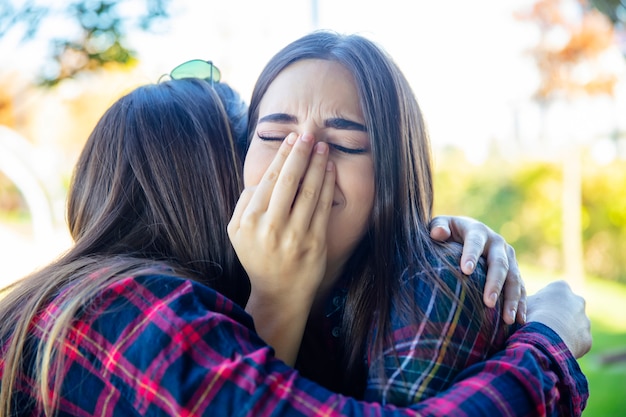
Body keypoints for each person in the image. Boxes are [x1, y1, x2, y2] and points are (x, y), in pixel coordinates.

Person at [0, 77, 590, 416]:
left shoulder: (86, 301)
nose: (296, 172)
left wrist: (419, 236)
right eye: (268, 140)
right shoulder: (133, 313)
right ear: (203, 183)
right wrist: (550, 345)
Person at [229, 30, 590, 411]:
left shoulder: (430, 289)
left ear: (395, 172)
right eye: (273, 136)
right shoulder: (199, 277)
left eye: (344, 145)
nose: (299, 167)